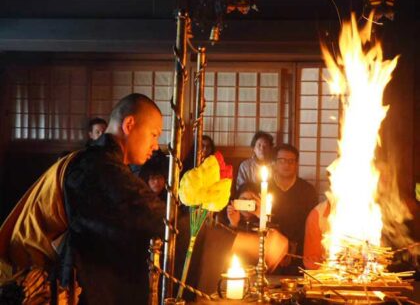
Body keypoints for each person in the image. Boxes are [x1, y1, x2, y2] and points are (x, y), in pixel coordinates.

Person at [0, 93, 288, 304]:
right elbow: (155, 222)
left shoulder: (99, 162)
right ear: (129, 124)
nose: (155, 144)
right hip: (35, 282)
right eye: (153, 134)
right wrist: (248, 243)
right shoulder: (95, 167)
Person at [269, 143, 318, 275]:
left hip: (299, 250)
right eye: (282, 160)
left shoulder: (307, 190)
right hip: (270, 246)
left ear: (296, 164)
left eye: (291, 161)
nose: (287, 164)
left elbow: (311, 222)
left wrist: (292, 246)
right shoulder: (263, 188)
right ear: (274, 163)